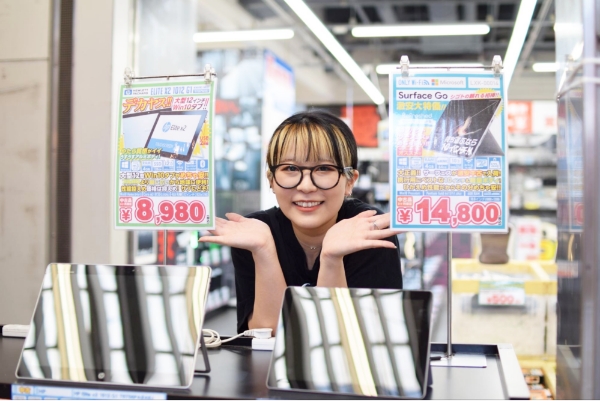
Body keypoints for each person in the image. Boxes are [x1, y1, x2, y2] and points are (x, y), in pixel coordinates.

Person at [199, 110, 403, 333]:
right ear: (272, 180)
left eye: (324, 168)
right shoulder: (255, 234)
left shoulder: (369, 231)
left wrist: (331, 258)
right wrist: (264, 250)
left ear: (349, 181)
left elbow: (353, 339)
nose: (306, 186)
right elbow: (264, 336)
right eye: (291, 169)